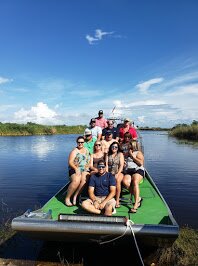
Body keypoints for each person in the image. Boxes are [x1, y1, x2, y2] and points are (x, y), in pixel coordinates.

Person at [65, 136, 90, 206]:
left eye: (82, 142)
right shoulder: (74, 151)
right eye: (79, 142)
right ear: (77, 142)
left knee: (84, 180)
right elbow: (70, 162)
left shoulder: (86, 150)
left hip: (84, 169)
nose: (80, 144)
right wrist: (76, 169)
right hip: (74, 168)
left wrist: (87, 167)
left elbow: (89, 159)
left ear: (84, 142)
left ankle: (76, 196)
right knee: (76, 180)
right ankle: (67, 198)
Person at [122, 142, 145, 213]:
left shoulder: (138, 153)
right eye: (129, 146)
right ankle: (138, 198)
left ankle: (135, 204)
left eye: (130, 145)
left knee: (135, 182)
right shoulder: (126, 154)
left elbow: (140, 163)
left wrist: (132, 156)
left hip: (138, 170)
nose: (129, 147)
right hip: (129, 171)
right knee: (125, 182)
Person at [106, 141, 124, 208]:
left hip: (118, 172)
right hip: (110, 172)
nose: (114, 148)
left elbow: (121, 165)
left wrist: (118, 173)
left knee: (117, 180)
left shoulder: (120, 154)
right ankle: (108, 197)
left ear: (117, 148)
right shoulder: (108, 155)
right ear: (111, 147)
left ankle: (117, 200)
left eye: (116, 147)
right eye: (113, 147)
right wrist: (107, 173)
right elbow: (106, 164)